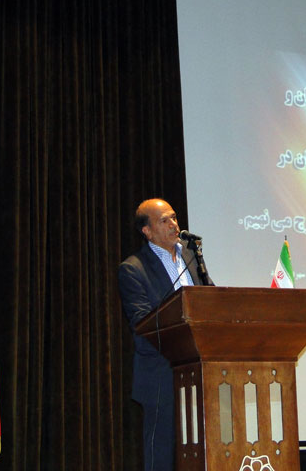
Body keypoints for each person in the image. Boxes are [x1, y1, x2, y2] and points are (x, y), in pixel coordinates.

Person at [118, 198, 213, 471]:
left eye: (174, 217)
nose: (174, 224)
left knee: (204, 453)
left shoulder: (191, 257)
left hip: (200, 371)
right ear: (147, 231)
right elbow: (141, 323)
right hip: (161, 374)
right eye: (164, 220)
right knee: (162, 457)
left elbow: (210, 299)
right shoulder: (133, 269)